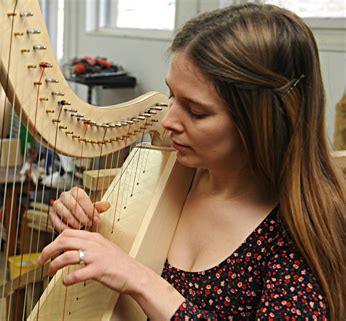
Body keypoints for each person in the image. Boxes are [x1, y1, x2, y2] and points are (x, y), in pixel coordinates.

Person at [36, 3, 345, 320]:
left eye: (196, 111)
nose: (168, 120)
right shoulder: (173, 174)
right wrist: (88, 231)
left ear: (261, 120)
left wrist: (142, 281)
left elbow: (134, 277)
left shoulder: (301, 226)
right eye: (171, 96)